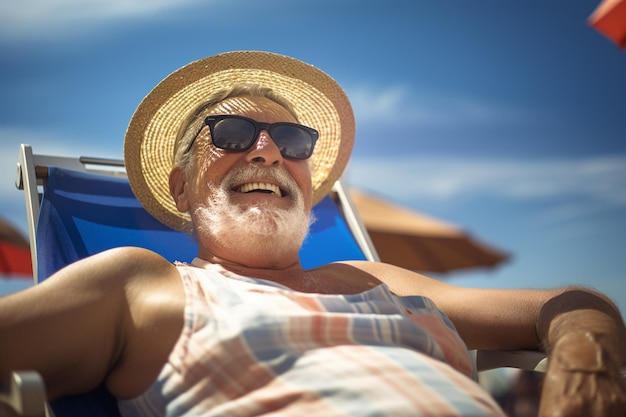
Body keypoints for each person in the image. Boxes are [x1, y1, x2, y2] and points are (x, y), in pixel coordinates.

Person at [1, 51, 625, 417]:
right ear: (182, 187)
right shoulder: (139, 284)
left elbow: (566, 304)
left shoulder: (371, 279)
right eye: (234, 135)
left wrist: (584, 353)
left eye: (293, 141)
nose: (268, 152)